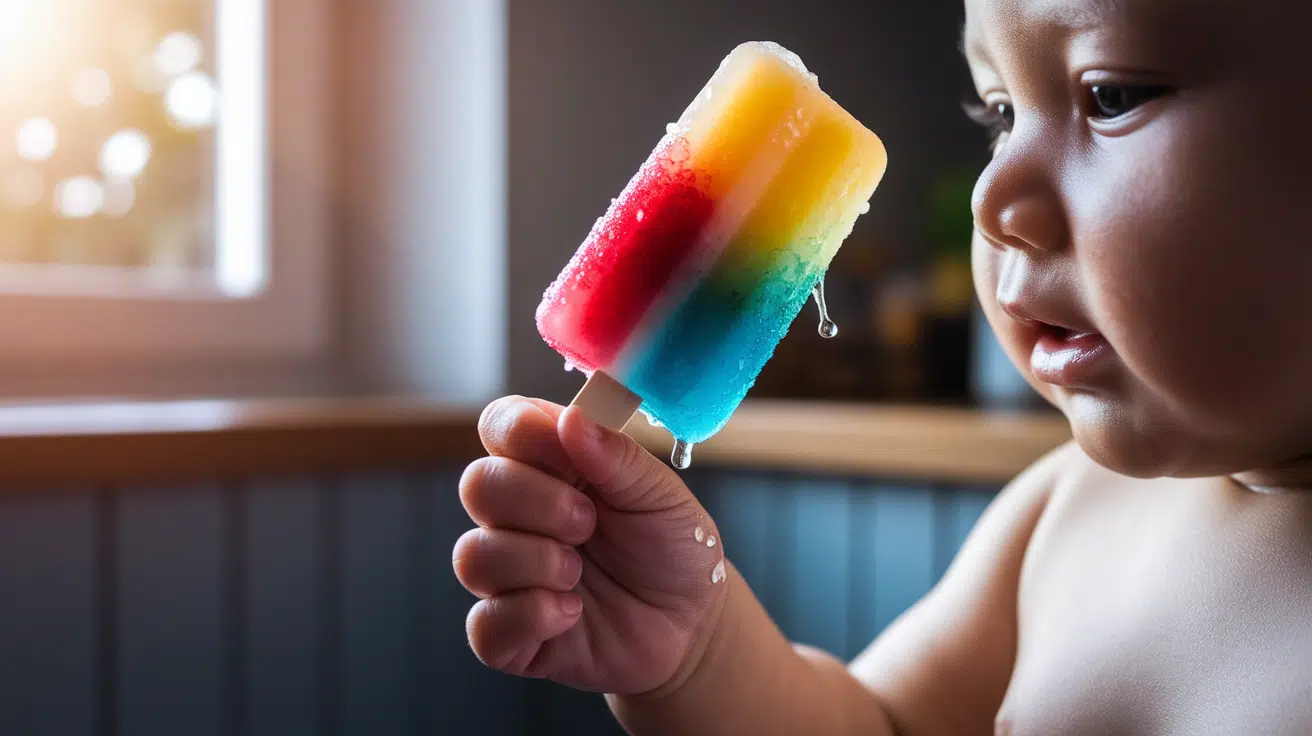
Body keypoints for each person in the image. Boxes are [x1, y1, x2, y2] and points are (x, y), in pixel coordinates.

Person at [453, 0, 1312, 731]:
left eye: (1111, 95)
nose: (992, 198)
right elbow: (879, 723)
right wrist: (694, 655)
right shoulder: (1063, 514)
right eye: (1000, 113)